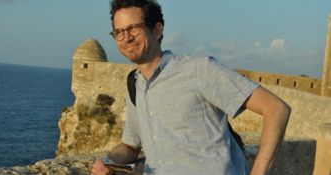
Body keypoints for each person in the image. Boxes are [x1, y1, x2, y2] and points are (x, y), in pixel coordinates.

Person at [91, 0, 291, 174]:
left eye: (134, 28)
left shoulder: (198, 70)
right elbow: (130, 145)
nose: (126, 38)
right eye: (119, 32)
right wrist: (108, 162)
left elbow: (277, 109)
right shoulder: (135, 84)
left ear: (158, 29)